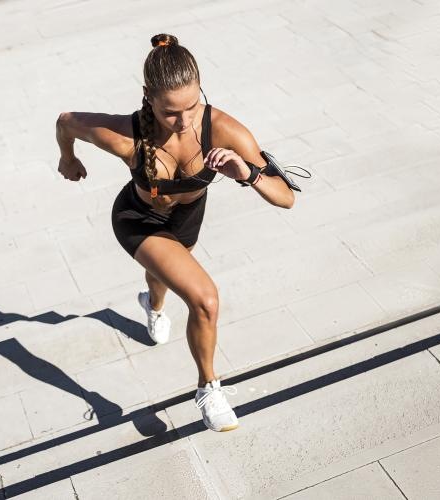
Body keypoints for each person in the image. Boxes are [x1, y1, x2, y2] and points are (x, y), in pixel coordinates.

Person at [55, 33, 296, 432]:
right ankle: (208, 388)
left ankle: (151, 303)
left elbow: (286, 198)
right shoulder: (124, 135)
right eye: (170, 112)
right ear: (148, 95)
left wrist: (247, 173)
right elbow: (66, 122)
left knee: (162, 275)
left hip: (186, 220)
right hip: (137, 219)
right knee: (205, 300)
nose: (183, 121)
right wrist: (68, 157)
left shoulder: (225, 130)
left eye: (192, 105)